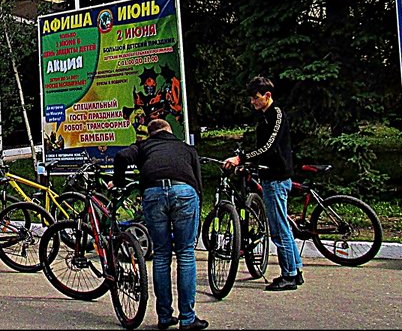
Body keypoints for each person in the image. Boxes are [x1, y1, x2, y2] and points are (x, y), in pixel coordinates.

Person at [115, 118, 206, 331]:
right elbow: (198, 181)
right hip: (185, 192)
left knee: (162, 254)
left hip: (153, 193)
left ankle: (164, 316)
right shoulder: (186, 148)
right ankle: (188, 318)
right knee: (185, 253)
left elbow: (121, 156)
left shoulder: (143, 146)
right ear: (169, 131)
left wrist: (118, 183)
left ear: (151, 134)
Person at [224, 75, 302, 291]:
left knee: (279, 229)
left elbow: (269, 146)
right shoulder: (265, 116)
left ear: (267, 95)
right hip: (270, 176)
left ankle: (289, 275)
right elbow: (262, 148)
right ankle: (296, 270)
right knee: (281, 225)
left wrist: (242, 158)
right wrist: (248, 161)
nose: (253, 102)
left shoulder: (276, 114)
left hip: (277, 178)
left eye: (256, 98)